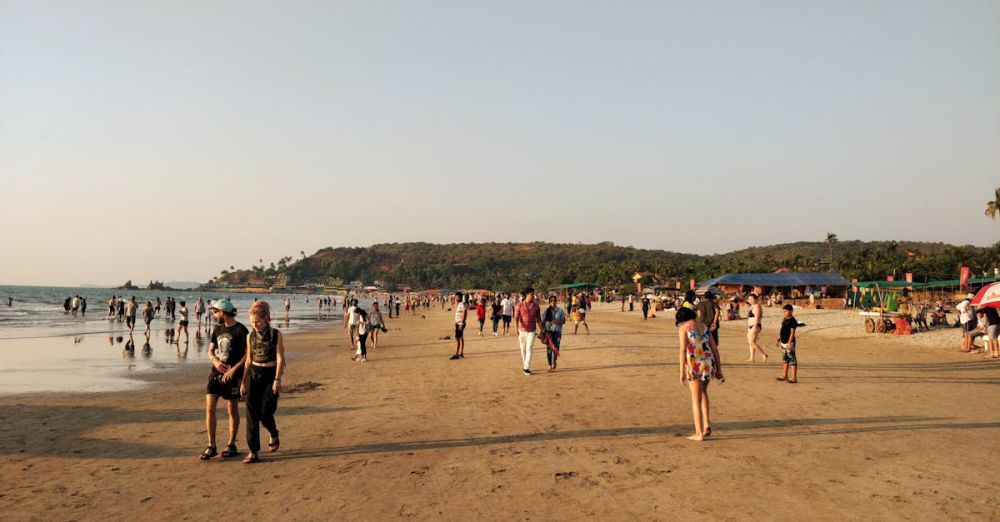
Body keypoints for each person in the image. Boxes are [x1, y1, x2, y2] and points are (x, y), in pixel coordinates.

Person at [201, 298, 248, 461]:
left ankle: (231, 444)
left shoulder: (241, 330)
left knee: (232, 409)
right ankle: (211, 445)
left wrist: (234, 369)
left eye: (216, 312)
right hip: (215, 373)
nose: (214, 314)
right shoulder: (217, 329)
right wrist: (215, 361)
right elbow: (210, 350)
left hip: (232, 376)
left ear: (223, 312)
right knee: (210, 408)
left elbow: (247, 354)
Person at [239, 301, 285, 464]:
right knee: (251, 414)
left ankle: (273, 433)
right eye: (252, 322)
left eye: (257, 321)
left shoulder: (276, 334)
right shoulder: (249, 336)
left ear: (266, 319)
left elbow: (280, 358)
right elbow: (248, 360)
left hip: (270, 374)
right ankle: (253, 451)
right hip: (253, 374)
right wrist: (243, 381)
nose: (255, 325)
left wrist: (277, 379)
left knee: (266, 412)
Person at [676, 306, 722, 441]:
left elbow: (683, 350)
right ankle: (706, 424)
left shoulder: (684, 328)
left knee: (696, 399)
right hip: (708, 363)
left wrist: (681, 372)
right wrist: (719, 369)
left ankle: (699, 433)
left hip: (694, 364)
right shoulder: (704, 327)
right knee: (703, 392)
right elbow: (715, 349)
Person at [513, 287, 544, 375]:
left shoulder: (536, 306)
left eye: (533, 294)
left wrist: (541, 330)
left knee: (529, 348)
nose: (533, 296)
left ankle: (526, 368)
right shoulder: (519, 305)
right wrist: (516, 330)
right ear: (527, 295)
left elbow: (539, 319)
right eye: (532, 294)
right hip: (521, 331)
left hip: (532, 331)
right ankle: (525, 365)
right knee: (523, 349)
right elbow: (516, 318)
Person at [775, 304, 799, 383]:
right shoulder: (785, 319)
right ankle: (784, 375)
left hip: (790, 342)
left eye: (786, 311)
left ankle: (794, 377)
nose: (784, 313)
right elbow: (783, 329)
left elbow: (792, 333)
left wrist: (789, 343)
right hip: (783, 341)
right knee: (785, 359)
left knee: (792, 359)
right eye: (783, 311)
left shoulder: (792, 320)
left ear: (791, 311)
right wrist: (779, 338)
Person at [543, 295, 566, 372]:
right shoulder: (546, 311)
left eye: (554, 300)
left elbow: (564, 321)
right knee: (549, 349)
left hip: (558, 332)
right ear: (549, 302)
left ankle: (554, 361)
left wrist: (557, 322)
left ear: (556, 301)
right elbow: (543, 321)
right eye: (551, 301)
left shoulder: (560, 311)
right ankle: (549, 365)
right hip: (549, 332)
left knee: (556, 348)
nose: (553, 302)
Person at [745, 294, 768, 362]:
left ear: (755, 299)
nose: (750, 300)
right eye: (749, 299)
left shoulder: (757, 306)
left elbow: (757, 317)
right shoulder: (752, 306)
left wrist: (754, 327)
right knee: (751, 342)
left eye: (752, 299)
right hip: (751, 326)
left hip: (755, 325)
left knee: (751, 342)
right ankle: (751, 358)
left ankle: (763, 354)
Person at [450, 292, 467, 360]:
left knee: (457, 338)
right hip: (459, 322)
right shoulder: (460, 304)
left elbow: (464, 313)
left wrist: (461, 324)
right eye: (456, 297)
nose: (456, 298)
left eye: (457, 297)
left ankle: (457, 354)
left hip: (460, 323)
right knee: (460, 337)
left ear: (460, 297)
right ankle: (461, 352)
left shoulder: (462, 304)